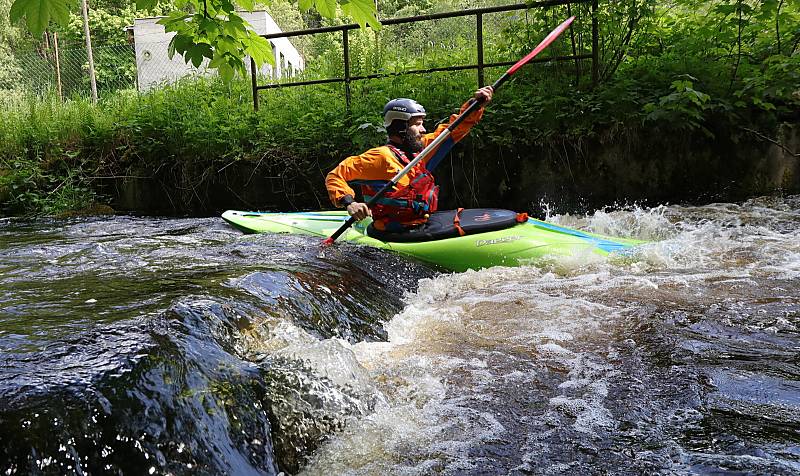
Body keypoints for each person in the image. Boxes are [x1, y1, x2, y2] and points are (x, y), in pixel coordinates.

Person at [325, 86, 493, 235]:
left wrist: (475, 104)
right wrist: (350, 203)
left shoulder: (423, 149)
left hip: (420, 225)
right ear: (401, 127)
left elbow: (454, 128)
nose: (423, 129)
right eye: (417, 124)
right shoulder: (380, 158)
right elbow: (335, 175)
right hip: (392, 233)